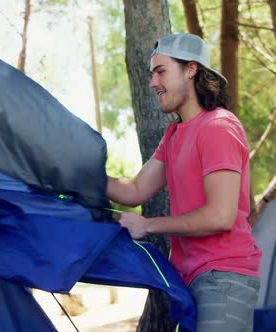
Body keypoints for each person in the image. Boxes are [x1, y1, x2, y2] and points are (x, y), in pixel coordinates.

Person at [107, 33, 262, 332]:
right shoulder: (174, 136)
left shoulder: (218, 127)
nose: (152, 83)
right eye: (152, 74)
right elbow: (134, 190)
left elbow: (220, 216)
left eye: (161, 71)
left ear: (191, 69)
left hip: (224, 276)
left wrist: (148, 224)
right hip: (192, 278)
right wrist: (73, 174)